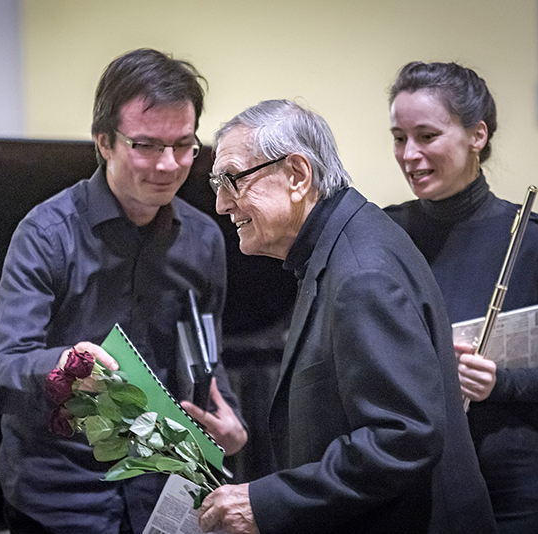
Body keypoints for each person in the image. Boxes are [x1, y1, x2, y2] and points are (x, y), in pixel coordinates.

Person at [197, 99, 496, 534]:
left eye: (232, 180)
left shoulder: (360, 271)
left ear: (297, 175)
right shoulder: (341, 247)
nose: (222, 204)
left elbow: (403, 436)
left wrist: (267, 501)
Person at [0, 48, 248, 534]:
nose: (168, 165)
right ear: (104, 141)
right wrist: (66, 367)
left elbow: (207, 353)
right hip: (61, 498)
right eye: (146, 145)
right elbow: (1, 373)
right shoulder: (46, 233)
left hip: (166, 491)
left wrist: (228, 420)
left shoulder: (205, 238)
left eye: (184, 145)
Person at [384, 60, 538, 533]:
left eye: (426, 136)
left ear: (477, 136)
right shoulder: (385, 235)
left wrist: (501, 384)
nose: (409, 153)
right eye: (398, 137)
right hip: (418, 481)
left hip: (513, 490)